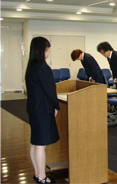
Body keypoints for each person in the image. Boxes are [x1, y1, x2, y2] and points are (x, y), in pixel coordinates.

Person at [25, 37, 60, 183]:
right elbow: (50, 90)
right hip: (43, 110)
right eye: (47, 49)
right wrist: (56, 106)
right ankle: (42, 176)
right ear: (42, 50)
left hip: (34, 108)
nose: (49, 51)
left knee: (35, 142)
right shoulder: (43, 68)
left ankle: (37, 173)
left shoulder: (31, 67)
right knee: (41, 145)